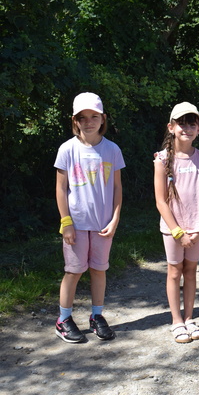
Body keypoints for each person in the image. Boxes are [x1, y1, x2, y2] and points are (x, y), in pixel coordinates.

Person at [54, 92, 125, 343]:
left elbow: (117, 188)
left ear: (103, 118)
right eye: (82, 117)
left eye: (94, 116)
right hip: (76, 225)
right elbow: (60, 188)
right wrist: (66, 223)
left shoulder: (112, 150)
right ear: (75, 120)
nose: (88, 122)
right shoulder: (67, 149)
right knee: (73, 271)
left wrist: (115, 219)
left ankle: (97, 316)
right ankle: (63, 319)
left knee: (99, 270)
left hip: (103, 225)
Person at [154, 102, 199, 343]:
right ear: (171, 127)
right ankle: (176, 321)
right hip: (173, 230)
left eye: (192, 124)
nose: (187, 128)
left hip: (197, 228)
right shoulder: (162, 159)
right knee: (174, 272)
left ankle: (189, 318)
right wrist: (178, 232)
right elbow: (160, 201)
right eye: (182, 123)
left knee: (190, 271)